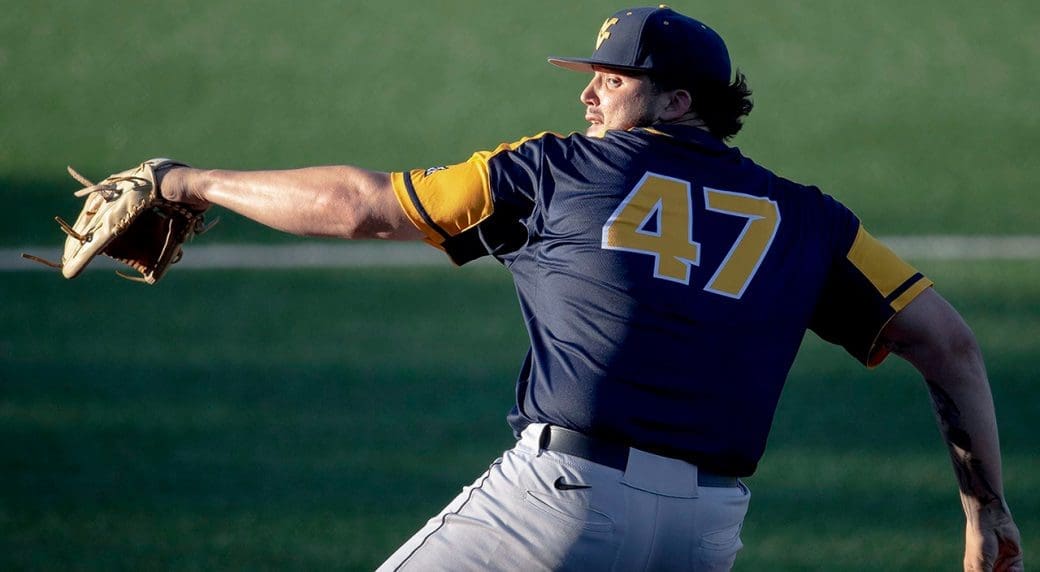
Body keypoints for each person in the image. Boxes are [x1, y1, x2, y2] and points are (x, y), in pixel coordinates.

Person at [155, 6, 1023, 571]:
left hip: (563, 505)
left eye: (614, 78)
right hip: (704, 535)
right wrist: (983, 510)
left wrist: (189, 183)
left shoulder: (555, 169)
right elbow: (949, 344)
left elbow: (360, 206)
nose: (590, 93)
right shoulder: (813, 220)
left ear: (678, 101)